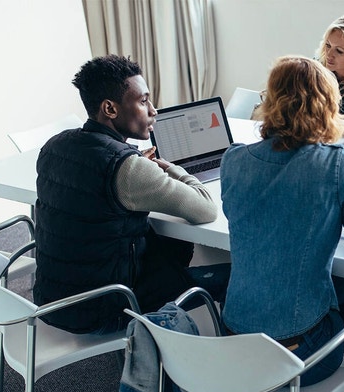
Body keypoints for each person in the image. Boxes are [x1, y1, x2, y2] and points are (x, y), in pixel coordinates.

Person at [220, 56, 344, 392]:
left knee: (333, 284)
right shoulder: (336, 163)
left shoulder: (233, 159)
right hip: (302, 356)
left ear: (269, 101)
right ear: (329, 106)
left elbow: (262, 222)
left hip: (233, 346)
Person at [33, 55, 229, 335]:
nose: (154, 110)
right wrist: (171, 168)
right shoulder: (127, 167)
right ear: (110, 109)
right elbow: (206, 209)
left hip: (53, 301)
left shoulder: (54, 146)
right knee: (234, 276)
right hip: (109, 307)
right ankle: (222, 365)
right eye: (143, 101)